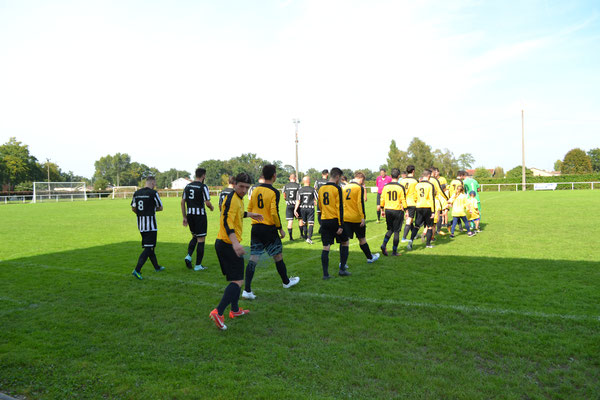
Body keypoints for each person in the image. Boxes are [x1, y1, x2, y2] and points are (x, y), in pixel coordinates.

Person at [209, 173, 264, 330]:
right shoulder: (232, 199)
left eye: (247, 188)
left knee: (237, 278)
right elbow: (227, 221)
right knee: (238, 281)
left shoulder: (238, 199)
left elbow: (237, 214)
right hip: (227, 244)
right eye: (241, 186)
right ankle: (218, 312)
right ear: (234, 184)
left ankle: (234, 310)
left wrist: (251, 214)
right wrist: (235, 243)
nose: (244, 190)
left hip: (228, 243)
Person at [242, 165, 300, 301]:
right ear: (274, 176)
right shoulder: (274, 192)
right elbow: (273, 212)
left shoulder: (255, 190)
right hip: (269, 229)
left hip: (256, 228)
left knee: (253, 258)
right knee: (278, 256)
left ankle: (247, 290)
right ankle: (286, 282)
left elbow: (249, 208)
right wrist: (280, 227)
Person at [318, 167, 350, 278]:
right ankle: (342, 270)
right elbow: (339, 208)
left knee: (326, 247)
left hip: (325, 220)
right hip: (335, 220)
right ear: (337, 177)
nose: (340, 180)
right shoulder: (337, 189)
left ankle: (325, 274)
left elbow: (320, 206)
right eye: (340, 178)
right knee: (345, 242)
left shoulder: (321, 188)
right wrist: (340, 225)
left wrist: (322, 219)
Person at [131, 176, 164, 279]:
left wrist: (141, 213)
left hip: (141, 224)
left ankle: (156, 267)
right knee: (149, 248)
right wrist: (152, 210)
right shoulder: (153, 193)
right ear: (153, 183)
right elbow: (160, 207)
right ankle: (137, 270)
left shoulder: (137, 193)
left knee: (150, 247)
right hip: (151, 225)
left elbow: (133, 208)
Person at [342, 171, 380, 263]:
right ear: (360, 178)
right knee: (362, 239)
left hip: (345, 217)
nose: (363, 183)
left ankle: (342, 264)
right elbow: (360, 203)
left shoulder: (344, 187)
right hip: (356, 218)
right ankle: (370, 258)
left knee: (345, 242)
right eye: (363, 181)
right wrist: (362, 217)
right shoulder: (359, 188)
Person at [181, 168, 214, 271]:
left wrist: (184, 217)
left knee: (194, 236)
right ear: (203, 175)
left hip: (190, 215)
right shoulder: (203, 186)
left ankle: (188, 256)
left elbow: (182, 202)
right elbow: (207, 202)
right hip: (199, 215)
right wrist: (211, 207)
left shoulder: (188, 186)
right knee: (201, 239)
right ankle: (198, 265)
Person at [379, 168, 406, 256]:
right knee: (397, 231)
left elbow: (382, 198)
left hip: (388, 210)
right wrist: (406, 210)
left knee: (390, 229)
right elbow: (403, 199)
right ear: (399, 176)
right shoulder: (400, 187)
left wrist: (382, 209)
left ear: (390, 176)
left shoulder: (386, 186)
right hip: (397, 210)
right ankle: (394, 252)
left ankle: (384, 245)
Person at [406, 170, 436, 250]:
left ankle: (410, 242)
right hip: (428, 207)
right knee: (429, 226)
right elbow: (431, 199)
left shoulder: (417, 185)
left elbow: (415, 197)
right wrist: (433, 211)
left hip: (419, 207)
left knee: (417, 226)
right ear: (429, 175)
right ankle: (428, 244)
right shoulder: (430, 185)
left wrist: (418, 202)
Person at [294, 176, 317, 244]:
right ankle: (309, 238)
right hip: (310, 208)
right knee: (311, 223)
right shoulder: (313, 190)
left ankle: (306, 237)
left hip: (302, 208)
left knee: (304, 223)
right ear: (309, 181)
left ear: (303, 182)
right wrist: (315, 202)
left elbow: (298, 201)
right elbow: (316, 199)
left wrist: (295, 209)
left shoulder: (300, 190)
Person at [400, 165, 419, 242]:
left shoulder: (402, 181)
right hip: (411, 203)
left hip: (403, 202)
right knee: (409, 219)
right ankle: (404, 238)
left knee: (409, 219)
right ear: (413, 171)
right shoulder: (415, 181)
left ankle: (414, 234)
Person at [430, 167, 449, 237]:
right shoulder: (435, 180)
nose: (436, 173)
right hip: (436, 200)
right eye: (435, 172)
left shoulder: (424, 179)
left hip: (425, 201)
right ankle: (436, 231)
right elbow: (440, 191)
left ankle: (425, 232)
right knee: (438, 216)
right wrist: (446, 198)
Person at [282, 173, 301, 241]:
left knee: (290, 221)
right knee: (300, 219)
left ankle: (291, 237)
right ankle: (302, 234)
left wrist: (286, 198)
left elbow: (284, 194)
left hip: (289, 205)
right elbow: (300, 194)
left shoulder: (286, 186)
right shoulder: (298, 185)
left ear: (289, 178)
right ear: (295, 178)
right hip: (297, 204)